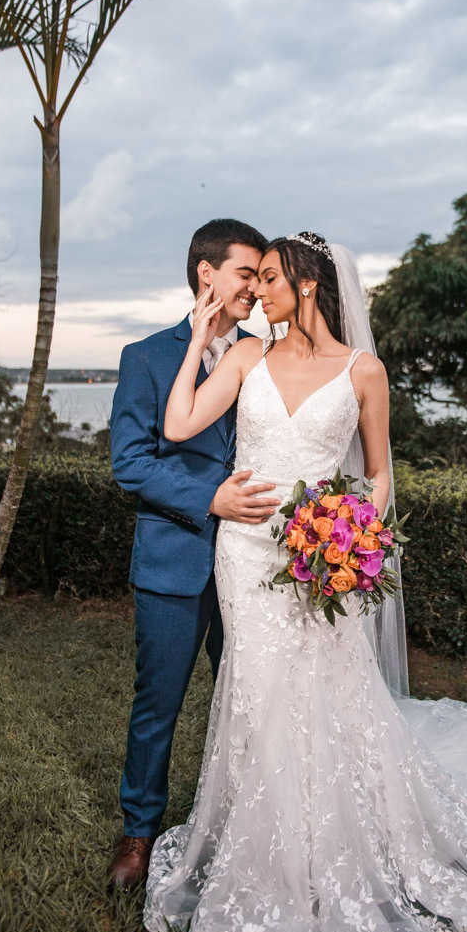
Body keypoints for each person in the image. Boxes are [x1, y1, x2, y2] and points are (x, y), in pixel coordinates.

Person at [143, 232, 467, 932]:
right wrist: (199, 339)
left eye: (269, 278)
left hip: (321, 559)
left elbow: (378, 474)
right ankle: (264, 838)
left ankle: (334, 838)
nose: (258, 291)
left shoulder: (363, 370)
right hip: (246, 554)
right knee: (256, 691)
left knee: (325, 693)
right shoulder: (245, 356)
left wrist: (353, 535)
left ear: (307, 285)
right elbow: (178, 424)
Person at [108, 218, 278, 890]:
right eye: (246, 273)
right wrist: (210, 498)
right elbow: (130, 464)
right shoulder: (146, 357)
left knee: (254, 700)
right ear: (207, 273)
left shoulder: (266, 355)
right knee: (159, 706)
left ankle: (251, 823)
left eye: (263, 276)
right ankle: (138, 832)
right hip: (173, 562)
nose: (256, 288)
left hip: (255, 565)